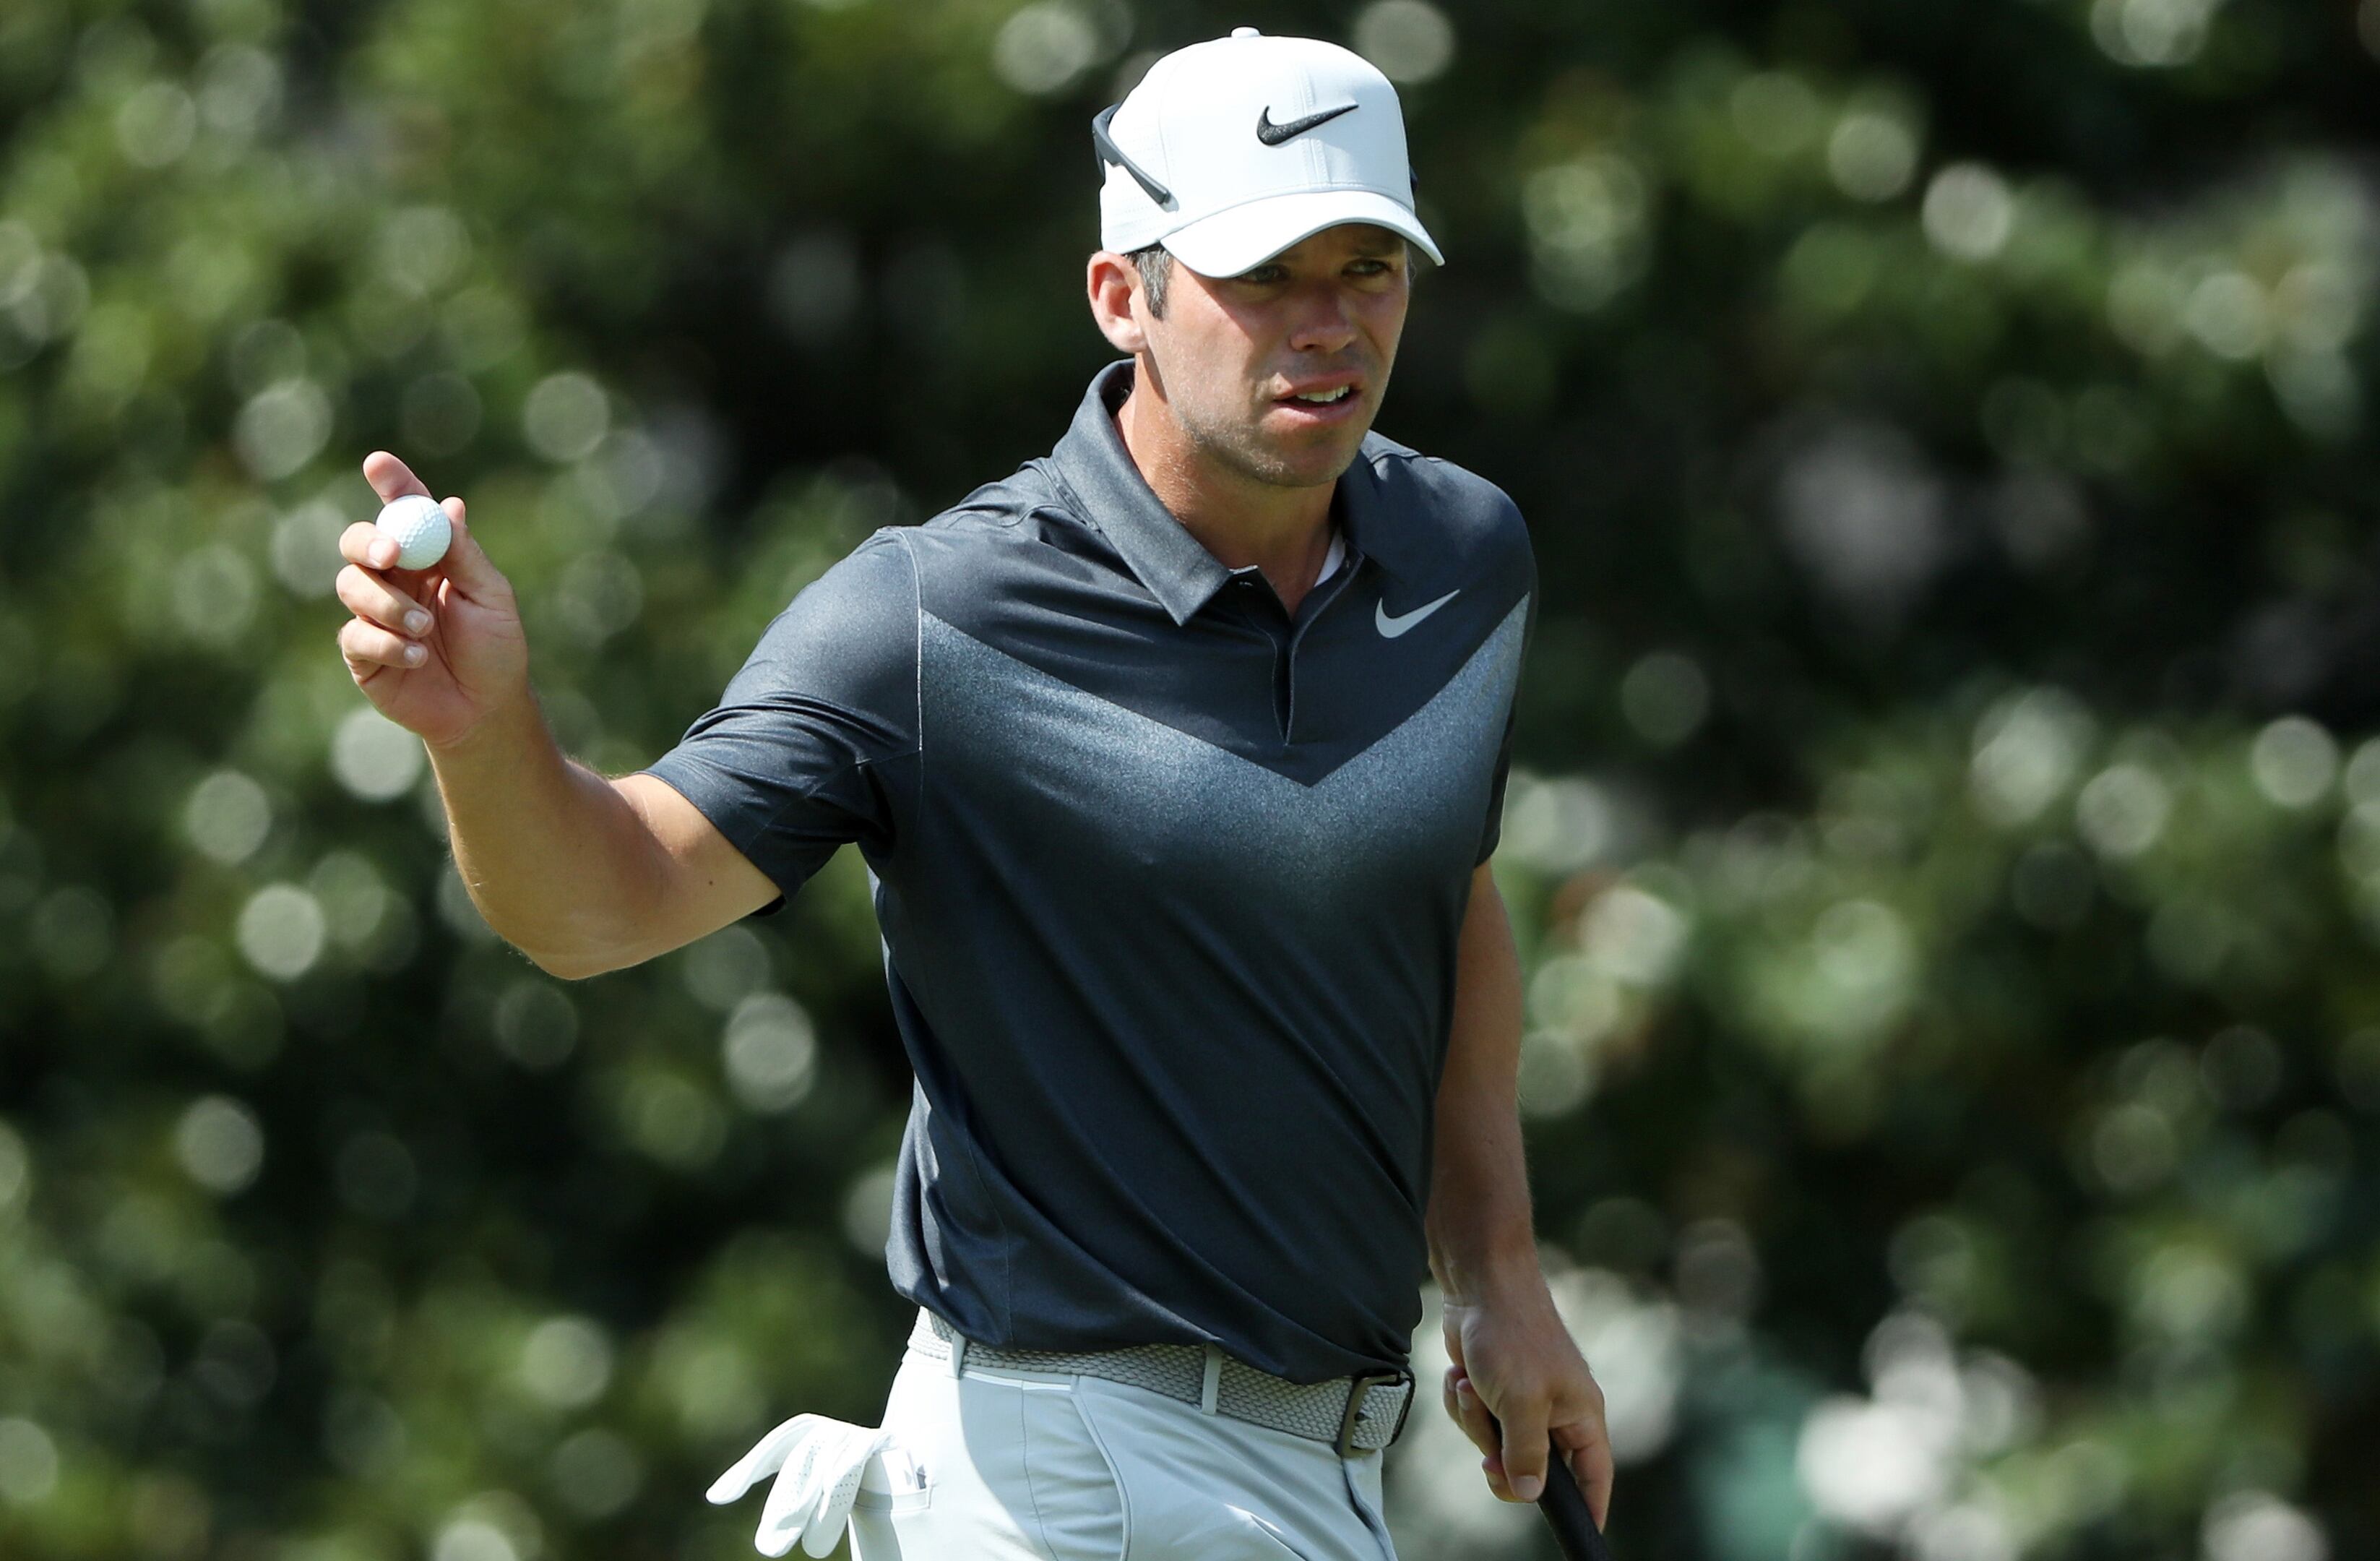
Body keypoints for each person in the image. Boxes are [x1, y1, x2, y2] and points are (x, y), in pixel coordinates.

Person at [329, 25, 1605, 1560]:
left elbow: (1437, 893)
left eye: (1368, 268)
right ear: (1122, 293)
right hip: (1064, 1482)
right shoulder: (933, 618)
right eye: (1263, 275)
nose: (1326, 326)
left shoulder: (1467, 560)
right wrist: (487, 735)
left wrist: (1498, 1269)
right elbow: (606, 901)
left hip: (1330, 1466)